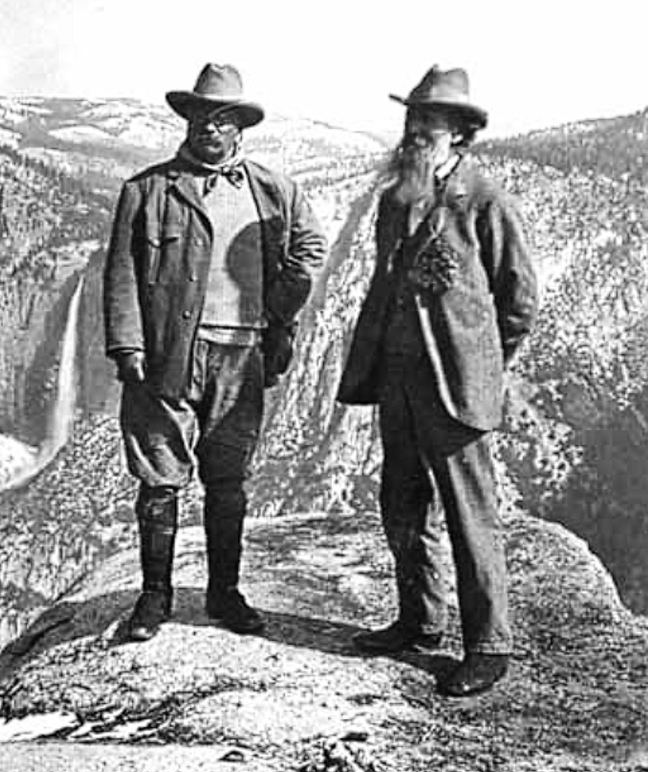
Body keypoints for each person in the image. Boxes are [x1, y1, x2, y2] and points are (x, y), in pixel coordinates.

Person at [103, 63, 327, 642]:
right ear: (188, 120)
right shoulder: (148, 191)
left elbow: (310, 248)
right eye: (202, 116)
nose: (211, 127)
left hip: (243, 355)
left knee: (227, 481)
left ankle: (224, 594)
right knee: (159, 477)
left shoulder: (273, 190)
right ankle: (155, 599)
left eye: (223, 119)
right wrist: (128, 345)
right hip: (168, 356)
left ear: (240, 129)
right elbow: (122, 273)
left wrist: (279, 308)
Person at [337, 66, 538, 696]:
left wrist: (482, 362)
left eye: (432, 123)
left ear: (460, 134)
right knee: (402, 501)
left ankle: (489, 644)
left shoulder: (485, 199)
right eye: (413, 120)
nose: (417, 131)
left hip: (455, 387)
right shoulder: (397, 196)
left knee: (468, 513)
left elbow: (520, 299)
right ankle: (419, 621)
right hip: (397, 378)